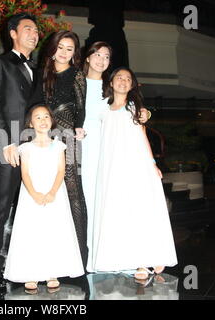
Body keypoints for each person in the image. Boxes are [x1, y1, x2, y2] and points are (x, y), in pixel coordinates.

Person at [90, 67, 177, 279]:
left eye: (127, 79)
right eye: (119, 77)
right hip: (111, 168)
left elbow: (143, 136)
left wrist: (152, 162)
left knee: (139, 209)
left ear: (132, 85)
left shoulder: (135, 108)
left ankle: (144, 260)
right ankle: (121, 257)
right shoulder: (101, 108)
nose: (123, 81)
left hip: (135, 164)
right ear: (111, 82)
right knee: (118, 210)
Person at [81, 42, 151, 272]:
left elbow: (126, 107)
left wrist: (144, 111)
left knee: (114, 203)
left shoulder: (107, 87)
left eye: (107, 56)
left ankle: (122, 255)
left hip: (108, 151)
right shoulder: (75, 82)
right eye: (97, 54)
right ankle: (96, 259)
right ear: (88, 57)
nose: (101, 59)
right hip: (84, 151)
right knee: (91, 204)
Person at [0, 13, 39, 288]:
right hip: (9, 147)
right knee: (1, 206)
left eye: (36, 29)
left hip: (35, 148)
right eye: (28, 28)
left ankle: (29, 260)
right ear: (13, 34)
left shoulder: (38, 68)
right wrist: (5, 143)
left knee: (32, 205)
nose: (34, 33)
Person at [3, 105, 84, 293]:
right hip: (32, 195)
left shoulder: (59, 145)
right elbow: (25, 174)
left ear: (51, 121)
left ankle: (52, 272)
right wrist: (34, 194)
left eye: (46, 116)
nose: (42, 120)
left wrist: (52, 192)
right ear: (31, 123)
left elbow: (61, 171)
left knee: (53, 230)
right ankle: (31, 273)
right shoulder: (25, 148)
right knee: (32, 231)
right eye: (37, 117)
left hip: (54, 194)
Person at [30, 30, 88, 269]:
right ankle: (51, 254)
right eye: (60, 47)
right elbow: (33, 105)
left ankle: (80, 253)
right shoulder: (39, 73)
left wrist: (78, 127)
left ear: (75, 53)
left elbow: (81, 108)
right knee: (45, 188)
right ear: (52, 48)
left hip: (68, 135)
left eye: (69, 49)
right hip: (42, 136)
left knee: (74, 189)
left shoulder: (76, 74)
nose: (64, 53)